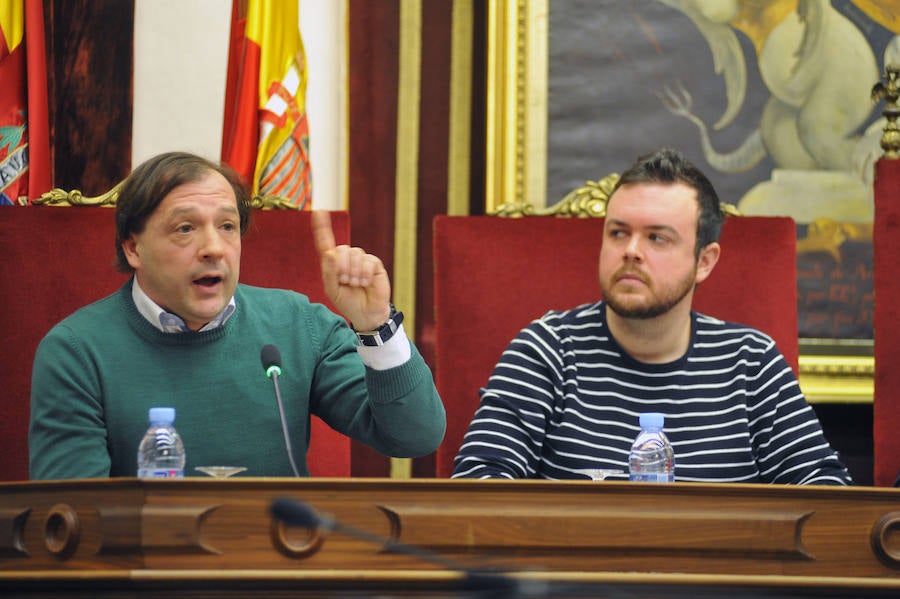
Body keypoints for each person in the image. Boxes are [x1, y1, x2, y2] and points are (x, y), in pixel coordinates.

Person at [29, 151, 445, 479]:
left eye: (227, 226)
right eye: (185, 229)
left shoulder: (298, 325)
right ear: (133, 248)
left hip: (281, 572)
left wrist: (376, 325)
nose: (214, 247)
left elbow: (415, 435)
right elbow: (72, 519)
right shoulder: (76, 351)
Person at [452, 147, 852, 485]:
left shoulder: (752, 361)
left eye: (657, 237)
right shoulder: (547, 350)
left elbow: (825, 492)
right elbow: (480, 484)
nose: (631, 251)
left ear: (704, 262)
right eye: (618, 233)